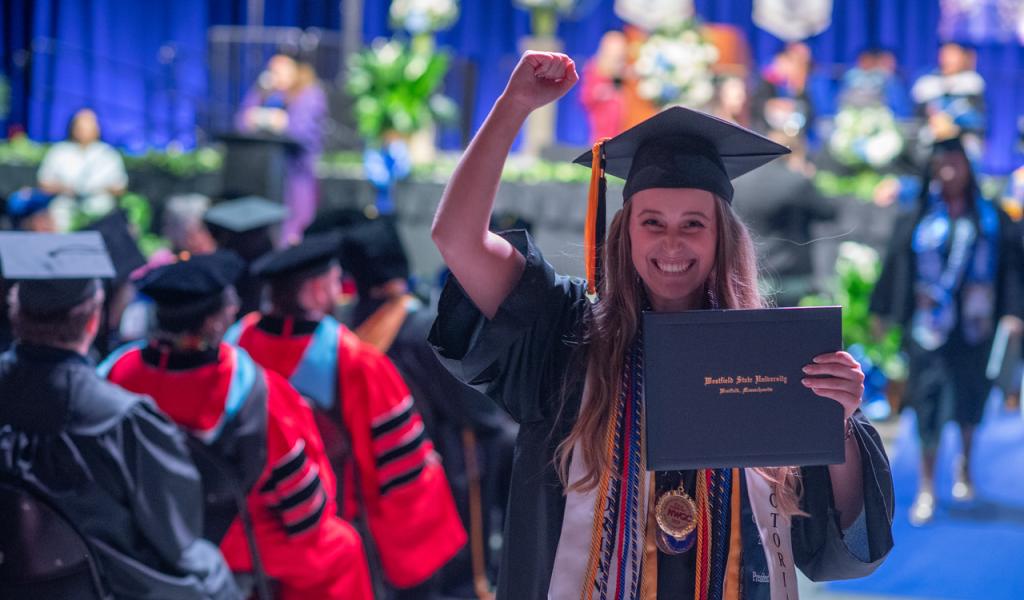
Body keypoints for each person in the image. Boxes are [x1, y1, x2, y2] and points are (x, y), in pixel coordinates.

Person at [428, 51, 894, 599]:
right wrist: (514, 107)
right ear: (626, 234)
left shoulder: (771, 358)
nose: (672, 244)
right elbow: (456, 238)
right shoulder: (563, 333)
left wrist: (836, 419)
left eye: (693, 224)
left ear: (722, 236)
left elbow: (837, 542)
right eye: (653, 223)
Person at [98, 250, 373, 600]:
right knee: (340, 546)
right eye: (228, 306)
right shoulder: (254, 389)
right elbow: (303, 510)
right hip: (224, 534)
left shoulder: (115, 372)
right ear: (213, 323)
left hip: (134, 528)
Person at [225, 233, 467, 599]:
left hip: (242, 532)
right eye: (336, 282)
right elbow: (402, 472)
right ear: (316, 292)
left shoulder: (235, 345)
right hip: (326, 532)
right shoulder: (355, 361)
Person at [0, 231, 240, 599]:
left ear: (15, 314)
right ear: (93, 321)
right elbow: (176, 534)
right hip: (103, 587)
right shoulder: (121, 419)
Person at [331, 213, 518, 599]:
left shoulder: (346, 330)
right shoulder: (422, 331)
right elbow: (481, 413)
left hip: (374, 489)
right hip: (441, 484)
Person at [870, 136, 1022, 526]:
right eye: (943, 165)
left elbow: (1011, 271)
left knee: (971, 401)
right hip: (928, 329)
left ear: (968, 167)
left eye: (957, 164)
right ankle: (925, 484)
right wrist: (881, 311)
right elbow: (895, 265)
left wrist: (1013, 313)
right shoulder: (919, 216)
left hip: (975, 327)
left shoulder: (991, 217)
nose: (950, 172)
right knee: (927, 405)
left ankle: (966, 467)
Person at [237, 54, 327, 243]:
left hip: (297, 174)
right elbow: (242, 122)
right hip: (266, 176)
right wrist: (259, 91)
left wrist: (271, 120)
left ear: (295, 70)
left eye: (280, 70)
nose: (274, 75)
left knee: (294, 232)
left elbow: (298, 131)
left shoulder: (310, 94)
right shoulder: (270, 95)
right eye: (272, 70)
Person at [36, 108, 128, 229]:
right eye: (80, 126)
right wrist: (65, 189)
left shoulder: (108, 153)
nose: (84, 130)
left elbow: (121, 187)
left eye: (89, 125)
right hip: (64, 210)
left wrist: (97, 189)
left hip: (100, 212)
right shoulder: (59, 151)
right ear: (73, 127)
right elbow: (43, 183)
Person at [580, 30, 629, 141]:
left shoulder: (628, 71)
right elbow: (585, 98)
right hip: (602, 129)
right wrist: (601, 92)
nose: (616, 53)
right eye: (613, 48)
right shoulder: (595, 69)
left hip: (625, 127)